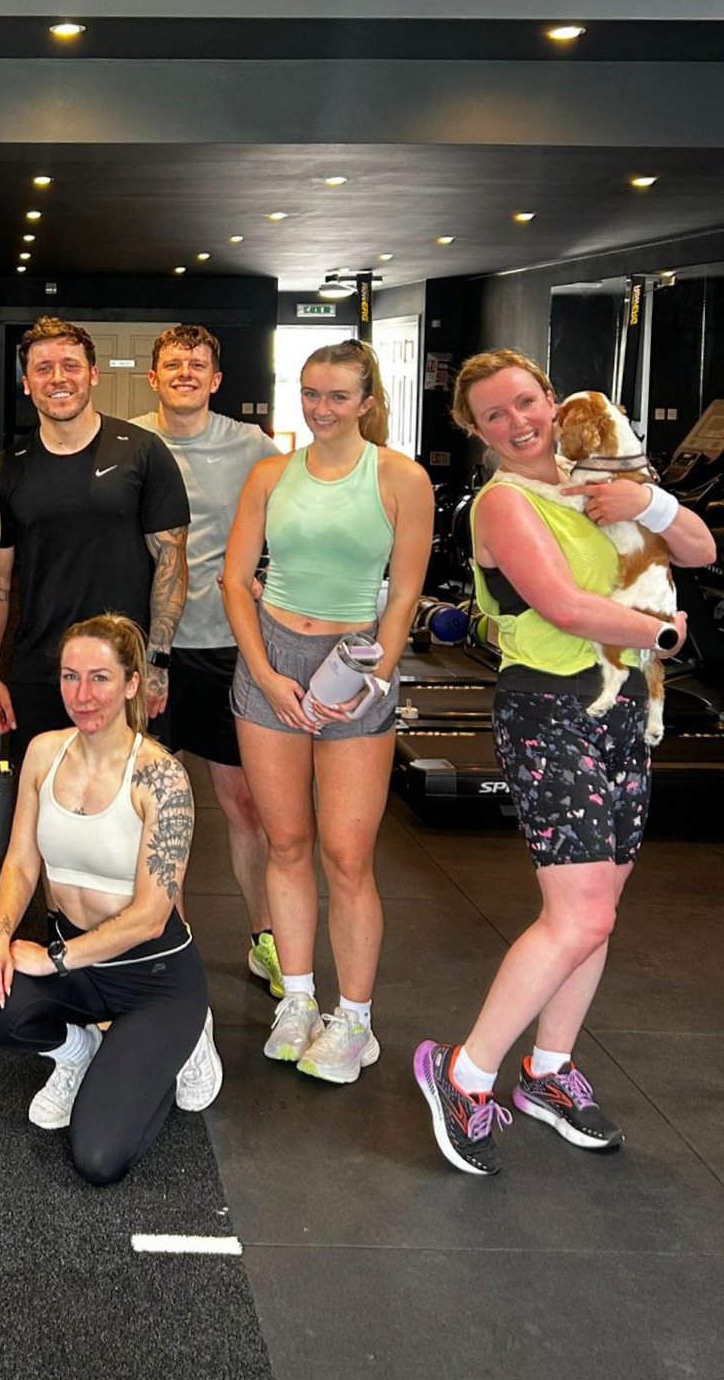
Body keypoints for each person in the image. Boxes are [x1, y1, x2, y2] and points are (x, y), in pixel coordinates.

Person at [415, 349, 714, 1176]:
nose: (518, 424)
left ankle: (547, 1073)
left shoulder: (598, 476)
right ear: (475, 431)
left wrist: (647, 498)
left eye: (525, 402)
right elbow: (564, 606)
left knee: (601, 912)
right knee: (578, 916)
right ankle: (464, 1074)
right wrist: (661, 635)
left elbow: (696, 546)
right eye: (494, 417)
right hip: (549, 708)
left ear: (551, 398)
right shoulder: (502, 503)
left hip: (620, 707)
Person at [223, 338, 434, 1083]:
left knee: (346, 858)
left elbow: (404, 592)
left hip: (356, 664)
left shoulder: (402, 478)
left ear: (368, 401)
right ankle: (299, 1001)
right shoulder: (270, 474)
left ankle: (355, 1021)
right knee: (285, 844)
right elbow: (234, 579)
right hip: (272, 661)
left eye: (338, 396)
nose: (321, 408)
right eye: (310, 394)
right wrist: (266, 674)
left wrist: (375, 671)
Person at [0, 614, 219, 1186]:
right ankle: (78, 1050)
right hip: (76, 964)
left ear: (132, 684)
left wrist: (50, 960)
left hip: (153, 979)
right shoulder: (45, 754)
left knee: (98, 1158)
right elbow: (23, 863)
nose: (82, 695)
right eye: (71, 677)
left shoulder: (162, 779)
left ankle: (188, 1039)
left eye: (100, 678)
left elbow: (151, 918)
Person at [132, 323, 285, 996]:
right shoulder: (132, 440)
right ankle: (172, 943)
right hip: (151, 648)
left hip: (228, 644)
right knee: (157, 806)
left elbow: (283, 530)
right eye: (174, 364)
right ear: (154, 377)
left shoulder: (252, 446)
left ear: (217, 379)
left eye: (199, 364)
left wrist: (267, 580)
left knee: (246, 802)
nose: (187, 373)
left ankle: (268, 942)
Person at [0, 317, 189, 774]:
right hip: (42, 672)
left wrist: (156, 662)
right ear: (26, 382)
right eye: (43, 368)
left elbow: (171, 561)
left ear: (92, 373)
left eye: (70, 366)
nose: (58, 379)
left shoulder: (142, 450)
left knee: (132, 812)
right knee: (46, 813)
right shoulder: (9, 466)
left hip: (124, 672)